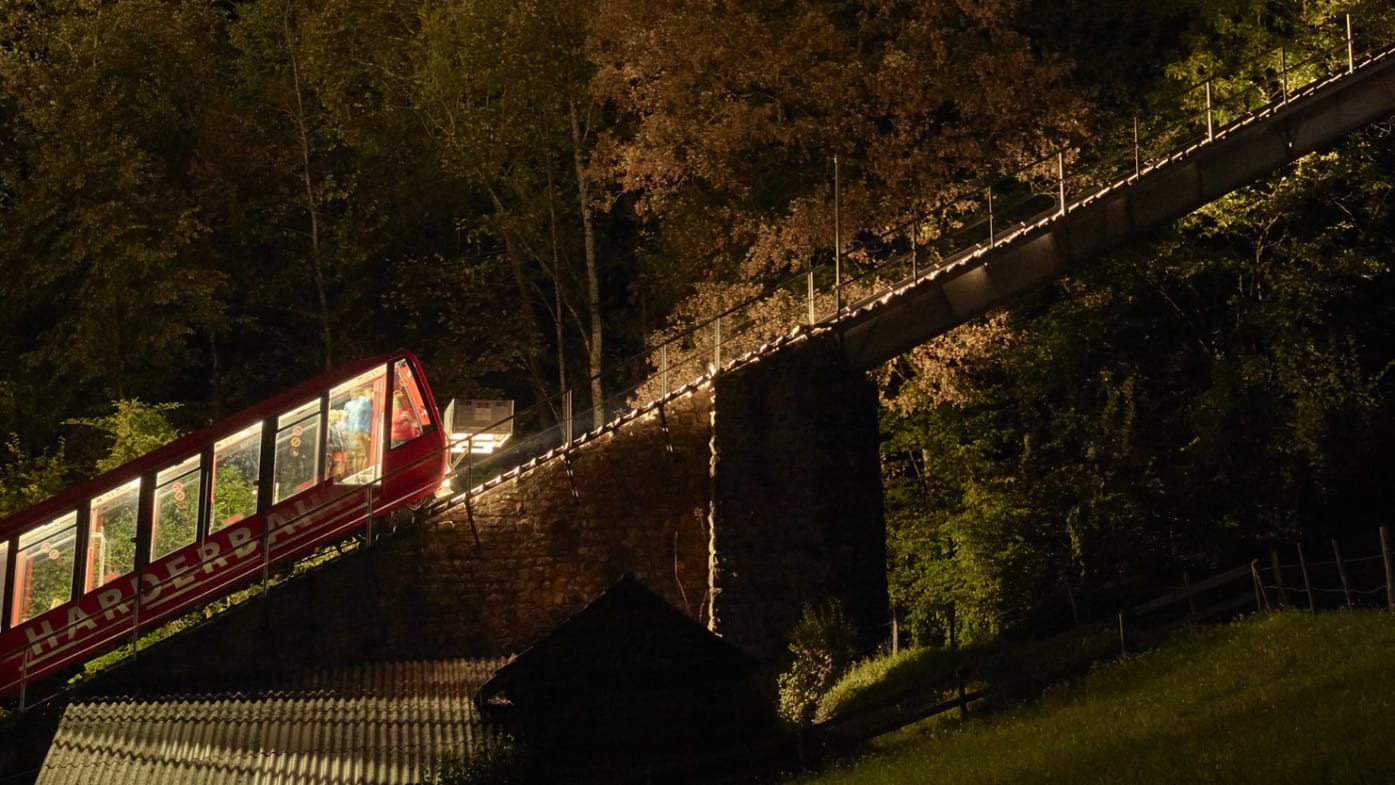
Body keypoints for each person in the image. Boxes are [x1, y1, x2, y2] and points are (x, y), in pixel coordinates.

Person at [344, 387, 375, 472]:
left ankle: (361, 471)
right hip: (356, 432)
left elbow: (369, 415)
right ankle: (358, 472)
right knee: (359, 454)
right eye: (352, 393)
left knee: (362, 454)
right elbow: (345, 419)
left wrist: (367, 430)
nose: (353, 394)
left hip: (360, 431)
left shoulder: (363, 402)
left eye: (355, 392)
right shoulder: (350, 404)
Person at [326, 409, 348, 479]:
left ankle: (341, 477)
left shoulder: (340, 425)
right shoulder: (329, 427)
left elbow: (344, 435)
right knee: (337, 463)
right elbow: (329, 439)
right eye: (333, 416)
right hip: (336, 448)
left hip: (343, 447)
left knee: (343, 463)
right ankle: (335, 477)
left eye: (335, 415)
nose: (334, 417)